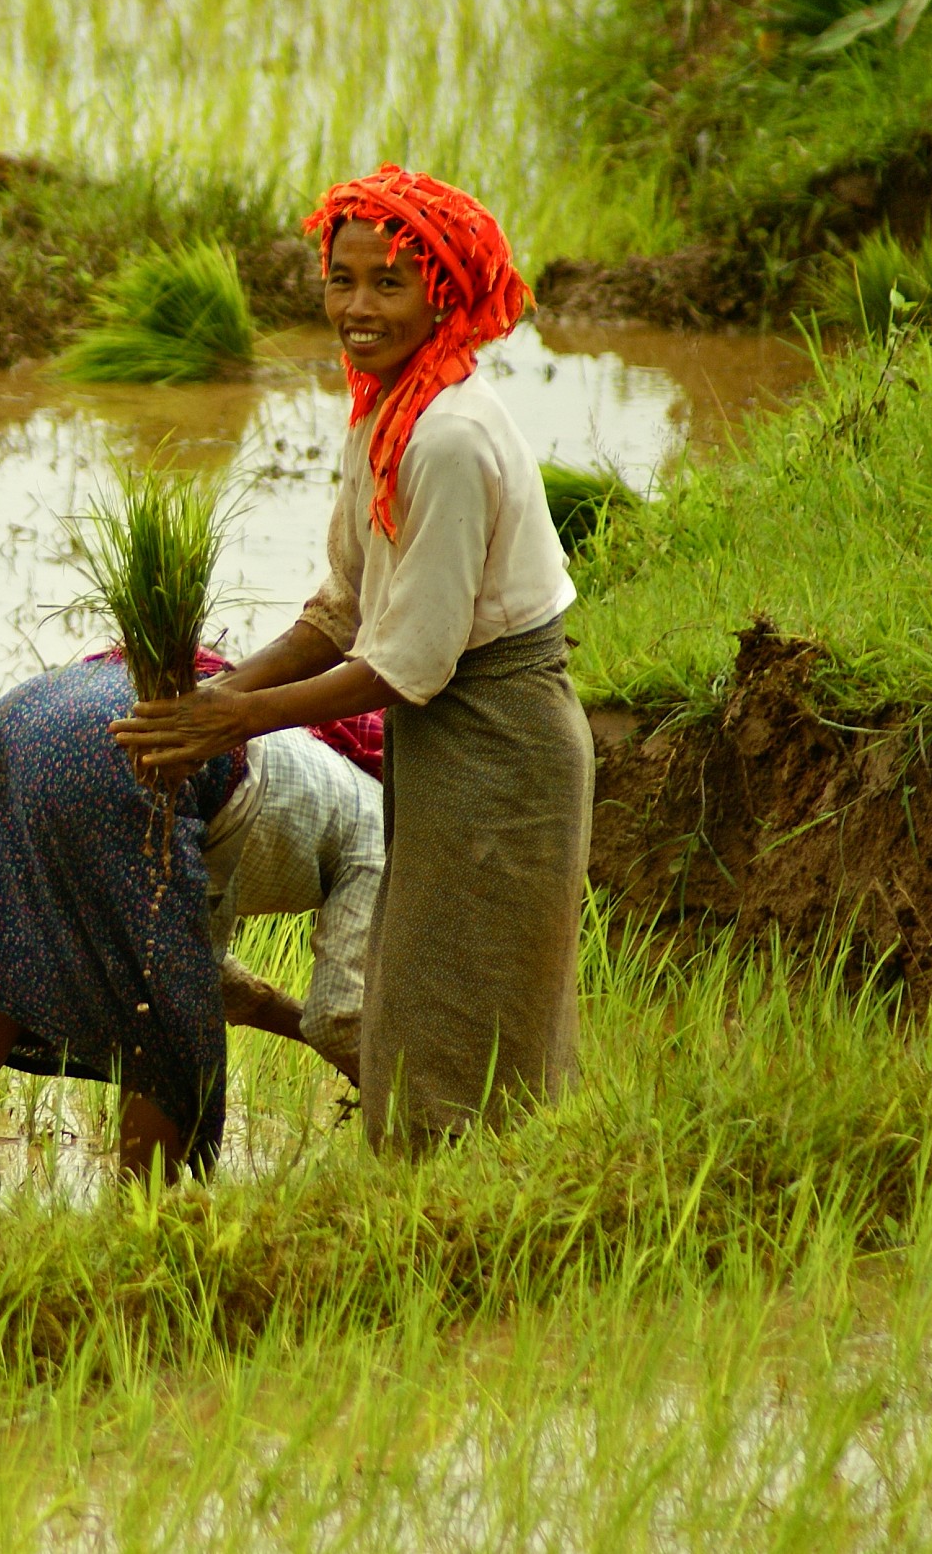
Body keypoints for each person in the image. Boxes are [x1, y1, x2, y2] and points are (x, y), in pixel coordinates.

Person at [112, 166, 593, 1153]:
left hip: (504, 743)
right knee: (420, 1008)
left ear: (444, 294)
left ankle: (485, 1231)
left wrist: (231, 721)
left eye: (390, 283)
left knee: (467, 1018)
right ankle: (459, 1218)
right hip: (448, 740)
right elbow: (340, 611)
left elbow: (405, 662)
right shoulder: (386, 411)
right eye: (343, 280)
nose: (358, 307)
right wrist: (213, 695)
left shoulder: (450, 438)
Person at [0, 652, 384, 1200]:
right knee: (160, 1036)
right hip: (137, 751)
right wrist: (400, 1093)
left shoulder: (307, 752)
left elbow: (208, 977)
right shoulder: (384, 825)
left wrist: (277, 1013)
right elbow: (340, 1018)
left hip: (27, 715)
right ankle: (140, 1230)